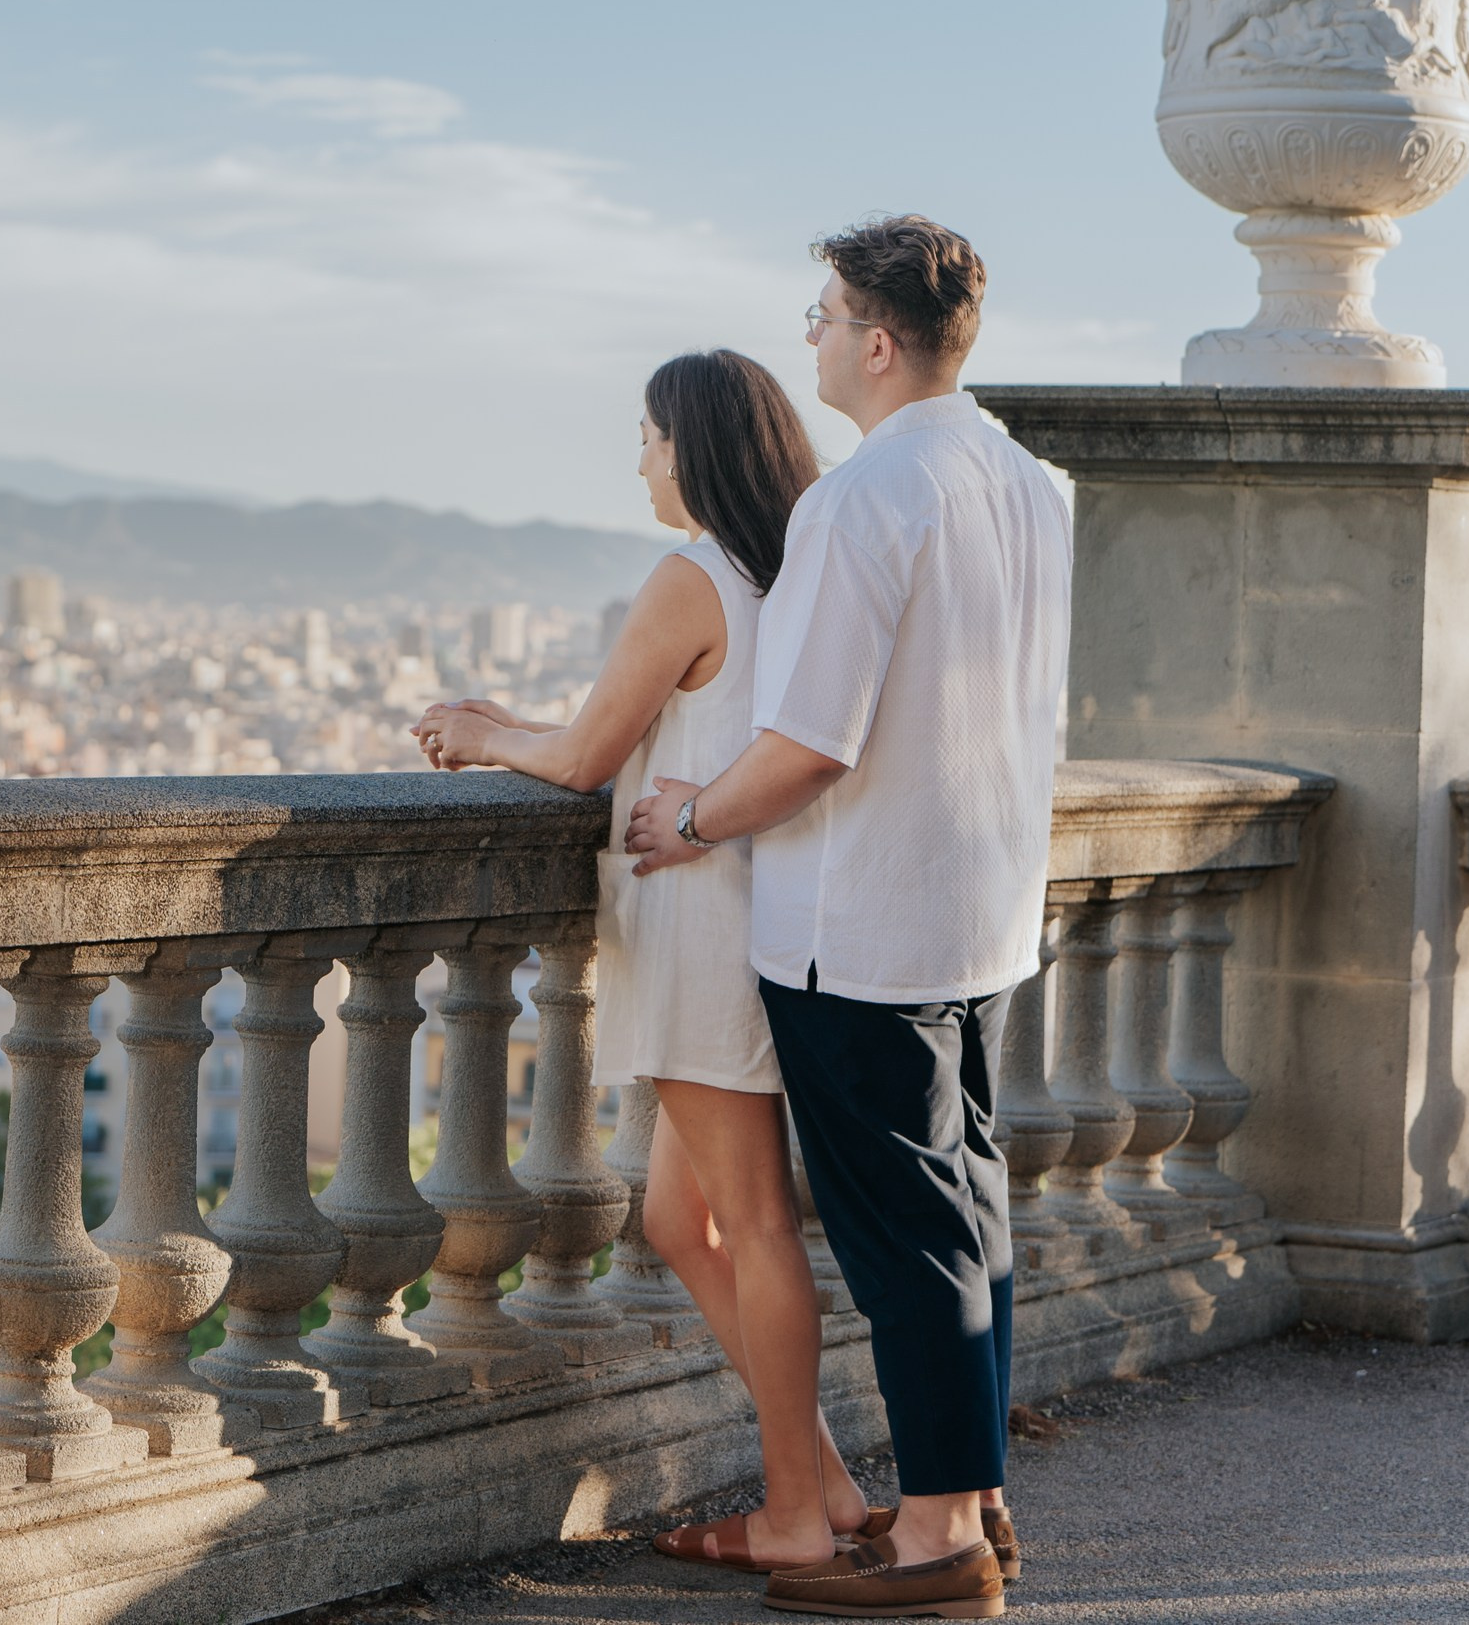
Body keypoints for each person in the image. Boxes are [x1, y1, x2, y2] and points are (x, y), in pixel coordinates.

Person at [628, 216, 1069, 1620]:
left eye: (822, 314)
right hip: (980, 905)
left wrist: (689, 819)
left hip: (859, 922)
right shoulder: (1033, 485)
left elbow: (807, 740)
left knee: (909, 1240)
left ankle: (938, 1532)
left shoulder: (861, 500)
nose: (810, 333)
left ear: (877, 341)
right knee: (970, 1214)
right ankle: (978, 1489)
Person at [411, 349, 872, 1574]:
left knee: (756, 1225)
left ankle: (795, 1520)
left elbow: (584, 760)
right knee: (679, 1218)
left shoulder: (690, 577)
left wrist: (477, 735)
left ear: (698, 448)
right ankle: (823, 1484)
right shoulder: (797, 572)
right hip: (752, 908)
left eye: (651, 436)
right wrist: (512, 729)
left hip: (698, 924)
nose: (639, 458)